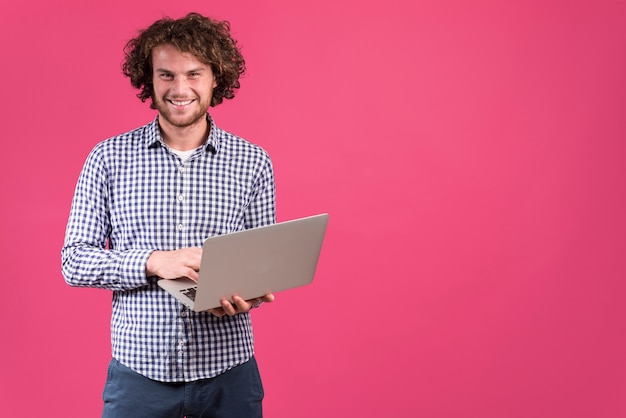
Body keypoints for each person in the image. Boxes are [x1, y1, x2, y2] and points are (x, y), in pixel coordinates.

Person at [61, 12, 275, 417]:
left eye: (194, 74)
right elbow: (74, 261)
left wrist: (243, 295)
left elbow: (262, 263)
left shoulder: (253, 162)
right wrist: (154, 262)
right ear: (149, 80)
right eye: (166, 75)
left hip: (230, 376)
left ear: (216, 78)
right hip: (138, 378)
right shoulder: (108, 159)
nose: (180, 89)